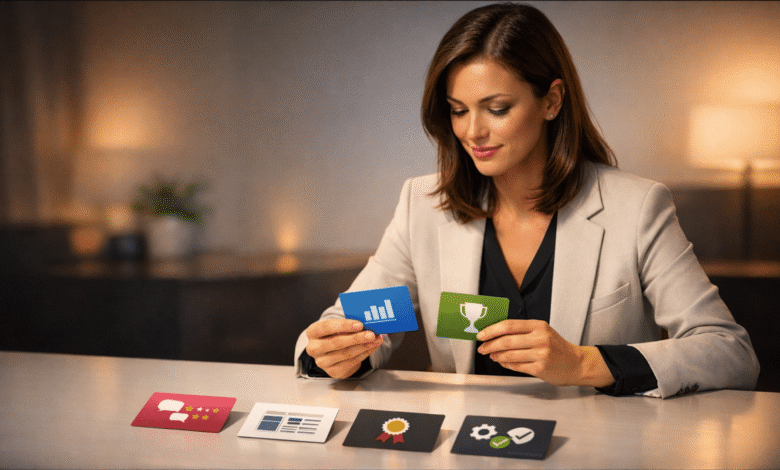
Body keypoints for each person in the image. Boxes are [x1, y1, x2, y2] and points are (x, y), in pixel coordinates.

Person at [293, 2, 759, 398]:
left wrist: (582, 363)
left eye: (497, 109)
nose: (472, 132)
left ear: (551, 101)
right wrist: (336, 354)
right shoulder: (424, 205)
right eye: (458, 111)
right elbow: (347, 325)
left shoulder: (636, 207)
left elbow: (728, 351)